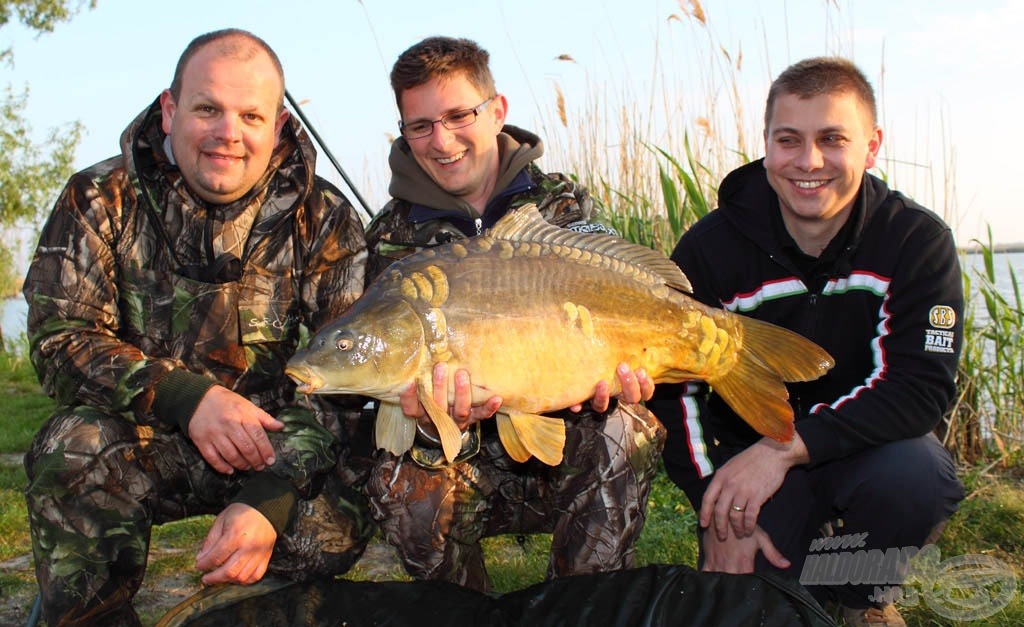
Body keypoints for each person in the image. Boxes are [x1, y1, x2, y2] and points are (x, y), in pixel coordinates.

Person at [22, 29, 374, 626]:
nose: (227, 133)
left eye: (251, 115)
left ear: (281, 125)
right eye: (207, 108)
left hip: (278, 448)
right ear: (169, 109)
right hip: (146, 437)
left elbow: (344, 386)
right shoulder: (98, 197)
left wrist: (268, 501)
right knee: (71, 447)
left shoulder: (326, 218)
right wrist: (187, 398)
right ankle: (90, 608)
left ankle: (256, 599)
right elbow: (61, 336)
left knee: (339, 516)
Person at [649, 57, 965, 626]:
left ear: (872, 147)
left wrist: (788, 447)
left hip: (866, 453)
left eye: (832, 139)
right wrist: (718, 513)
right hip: (746, 470)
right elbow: (678, 398)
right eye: (789, 139)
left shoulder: (916, 241)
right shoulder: (708, 251)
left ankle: (863, 598)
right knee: (763, 612)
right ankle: (793, 573)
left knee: (920, 478)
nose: (808, 161)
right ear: (766, 145)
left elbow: (919, 389)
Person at [362, 36, 666, 592]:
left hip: (566, 435)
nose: (443, 140)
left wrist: (626, 376)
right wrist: (430, 422)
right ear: (403, 131)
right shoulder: (389, 236)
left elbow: (624, 302)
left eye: (459, 115)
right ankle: (465, 609)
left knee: (627, 425)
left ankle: (575, 605)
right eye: (420, 125)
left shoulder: (562, 204)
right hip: (468, 462)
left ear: (497, 110)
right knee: (394, 474)